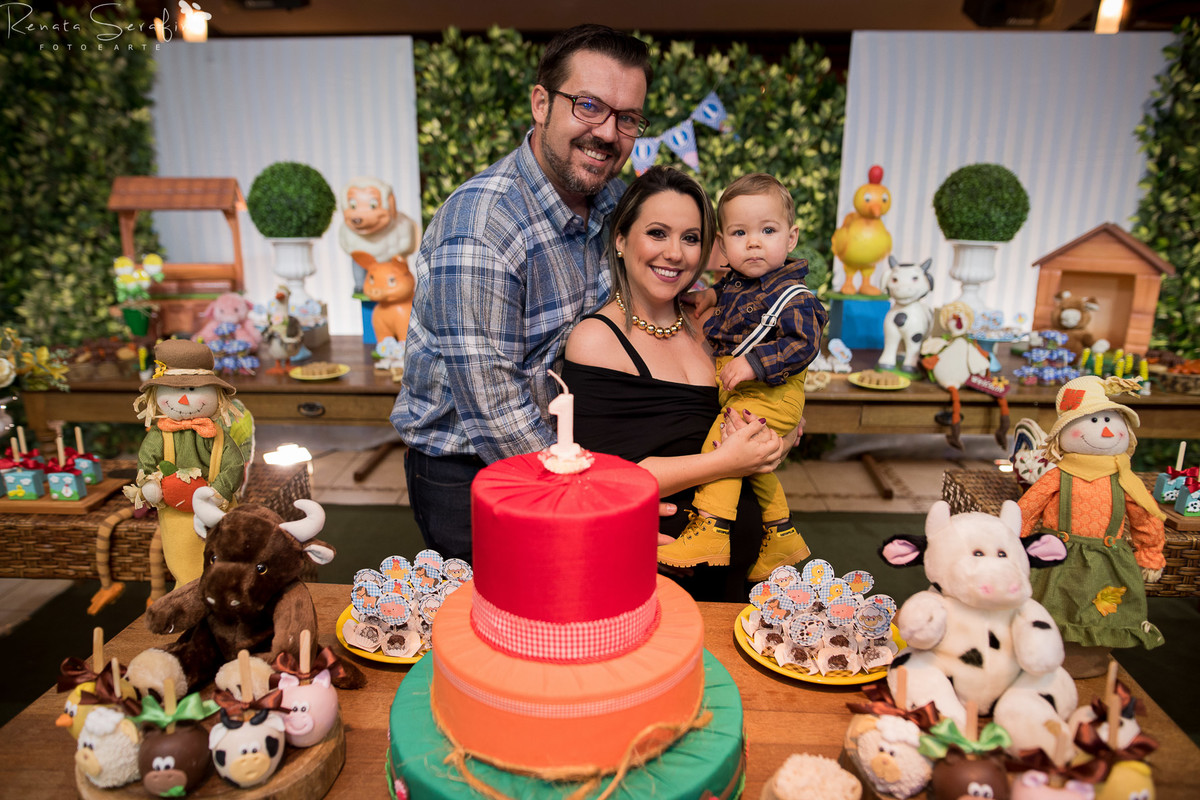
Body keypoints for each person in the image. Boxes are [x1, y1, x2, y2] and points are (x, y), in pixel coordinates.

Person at [391, 24, 654, 561]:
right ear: (541, 103)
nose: (607, 133)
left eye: (627, 118)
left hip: (565, 453)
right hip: (468, 469)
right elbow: (491, 406)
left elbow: (655, 299)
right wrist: (587, 501)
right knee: (500, 624)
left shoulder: (615, 201)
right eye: (588, 106)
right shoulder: (482, 222)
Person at [563, 166, 791, 599]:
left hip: (746, 560)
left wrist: (776, 438)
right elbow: (600, 478)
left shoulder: (712, 324)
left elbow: (761, 400)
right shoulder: (596, 339)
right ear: (620, 239)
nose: (675, 253)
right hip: (659, 569)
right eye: (657, 233)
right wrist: (727, 462)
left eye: (690, 238)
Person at [654, 174, 827, 582]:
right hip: (752, 393)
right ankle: (781, 533)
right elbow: (727, 293)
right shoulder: (736, 282)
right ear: (723, 245)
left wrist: (754, 364)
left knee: (725, 444)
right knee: (752, 464)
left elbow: (803, 344)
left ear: (791, 237)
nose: (753, 242)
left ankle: (712, 529)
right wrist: (709, 297)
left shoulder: (795, 296)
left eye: (767, 230)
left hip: (773, 389)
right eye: (739, 232)